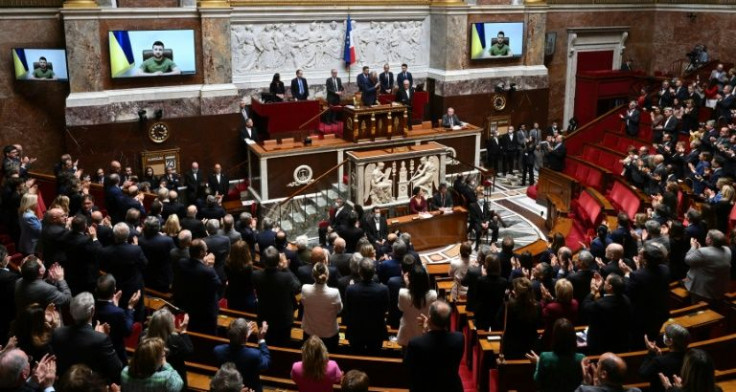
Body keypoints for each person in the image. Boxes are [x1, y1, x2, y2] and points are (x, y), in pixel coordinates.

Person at [51, 292, 123, 383]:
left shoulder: (57, 333)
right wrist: (102, 336)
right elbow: (116, 370)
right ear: (92, 310)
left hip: (63, 385)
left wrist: (96, 335)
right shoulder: (101, 339)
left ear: (71, 311)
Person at [404, 300, 463, 392]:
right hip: (450, 387)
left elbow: (409, 369)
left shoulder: (415, 344)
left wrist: (426, 331)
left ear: (430, 319)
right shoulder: (459, 339)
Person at [97, 222, 147, 321]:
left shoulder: (105, 251)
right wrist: (135, 247)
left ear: (114, 235)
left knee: (117, 308)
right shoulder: (136, 250)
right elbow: (144, 264)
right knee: (136, 309)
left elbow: (103, 266)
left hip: (115, 286)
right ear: (128, 235)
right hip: (133, 286)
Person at [252, 246, 301, 345]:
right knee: (283, 343)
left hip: (264, 316)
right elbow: (297, 287)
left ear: (263, 261)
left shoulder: (255, 275)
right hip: (284, 318)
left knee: (267, 341)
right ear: (278, 261)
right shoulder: (286, 277)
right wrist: (286, 268)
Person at [173, 239, 221, 334]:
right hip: (205, 312)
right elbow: (218, 284)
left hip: (187, 306)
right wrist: (209, 266)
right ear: (201, 253)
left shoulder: (181, 263)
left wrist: (203, 264)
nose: (207, 252)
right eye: (206, 250)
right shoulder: (208, 271)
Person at [344, 258, 389, 354]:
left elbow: (348, 309)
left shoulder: (350, 289)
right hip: (376, 331)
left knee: (356, 357)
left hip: (356, 331)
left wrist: (352, 287)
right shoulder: (383, 289)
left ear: (359, 271)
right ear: (374, 271)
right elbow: (385, 309)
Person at [526, 318, 584, 392]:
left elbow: (537, 379)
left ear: (554, 337)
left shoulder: (545, 357)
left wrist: (538, 362)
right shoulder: (581, 358)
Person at [143, 308, 194, 391]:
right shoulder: (175, 340)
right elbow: (189, 352)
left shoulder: (144, 336)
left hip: (148, 378)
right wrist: (184, 331)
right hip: (172, 382)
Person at [213, 318, 270, 392]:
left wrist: (244, 336)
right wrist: (261, 340)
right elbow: (266, 363)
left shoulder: (217, 350)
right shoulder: (254, 355)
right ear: (246, 336)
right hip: (250, 388)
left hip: (227, 387)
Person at [94, 274, 140, 363]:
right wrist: (130, 308)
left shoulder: (92, 307)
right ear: (114, 290)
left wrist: (115, 306)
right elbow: (127, 331)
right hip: (115, 355)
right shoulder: (118, 312)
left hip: (96, 353)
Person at [583, 273, 633, 355]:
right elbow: (609, 297)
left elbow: (586, 306)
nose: (604, 282)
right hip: (620, 343)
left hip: (602, 346)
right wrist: (601, 288)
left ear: (610, 287)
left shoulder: (600, 305)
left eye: (605, 281)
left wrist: (592, 292)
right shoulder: (626, 300)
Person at [300, 262, 343, 352]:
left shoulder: (305, 289)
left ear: (313, 275)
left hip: (309, 333)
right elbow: (339, 309)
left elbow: (304, 304)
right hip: (329, 335)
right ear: (327, 275)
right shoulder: (334, 293)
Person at [639, 323, 689, 392]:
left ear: (670, 342)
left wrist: (651, 352)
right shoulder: (691, 357)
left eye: (665, 335)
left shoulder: (658, 361)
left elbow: (643, 374)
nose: (663, 336)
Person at [684, 229, 731, 302]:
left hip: (701, 290)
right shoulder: (727, 250)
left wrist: (693, 247)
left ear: (709, 240)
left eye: (707, 236)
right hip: (718, 287)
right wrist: (699, 250)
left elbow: (687, 260)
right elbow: (710, 258)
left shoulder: (703, 252)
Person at [500, 277, 542, 359]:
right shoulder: (537, 306)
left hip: (512, 347)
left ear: (517, 292)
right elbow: (539, 324)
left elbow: (499, 321)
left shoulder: (509, 305)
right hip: (531, 346)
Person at [397, 264, 437, 347]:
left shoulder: (402, 293)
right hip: (423, 331)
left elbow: (401, 308)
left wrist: (407, 285)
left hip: (407, 332)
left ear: (411, 279)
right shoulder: (433, 294)